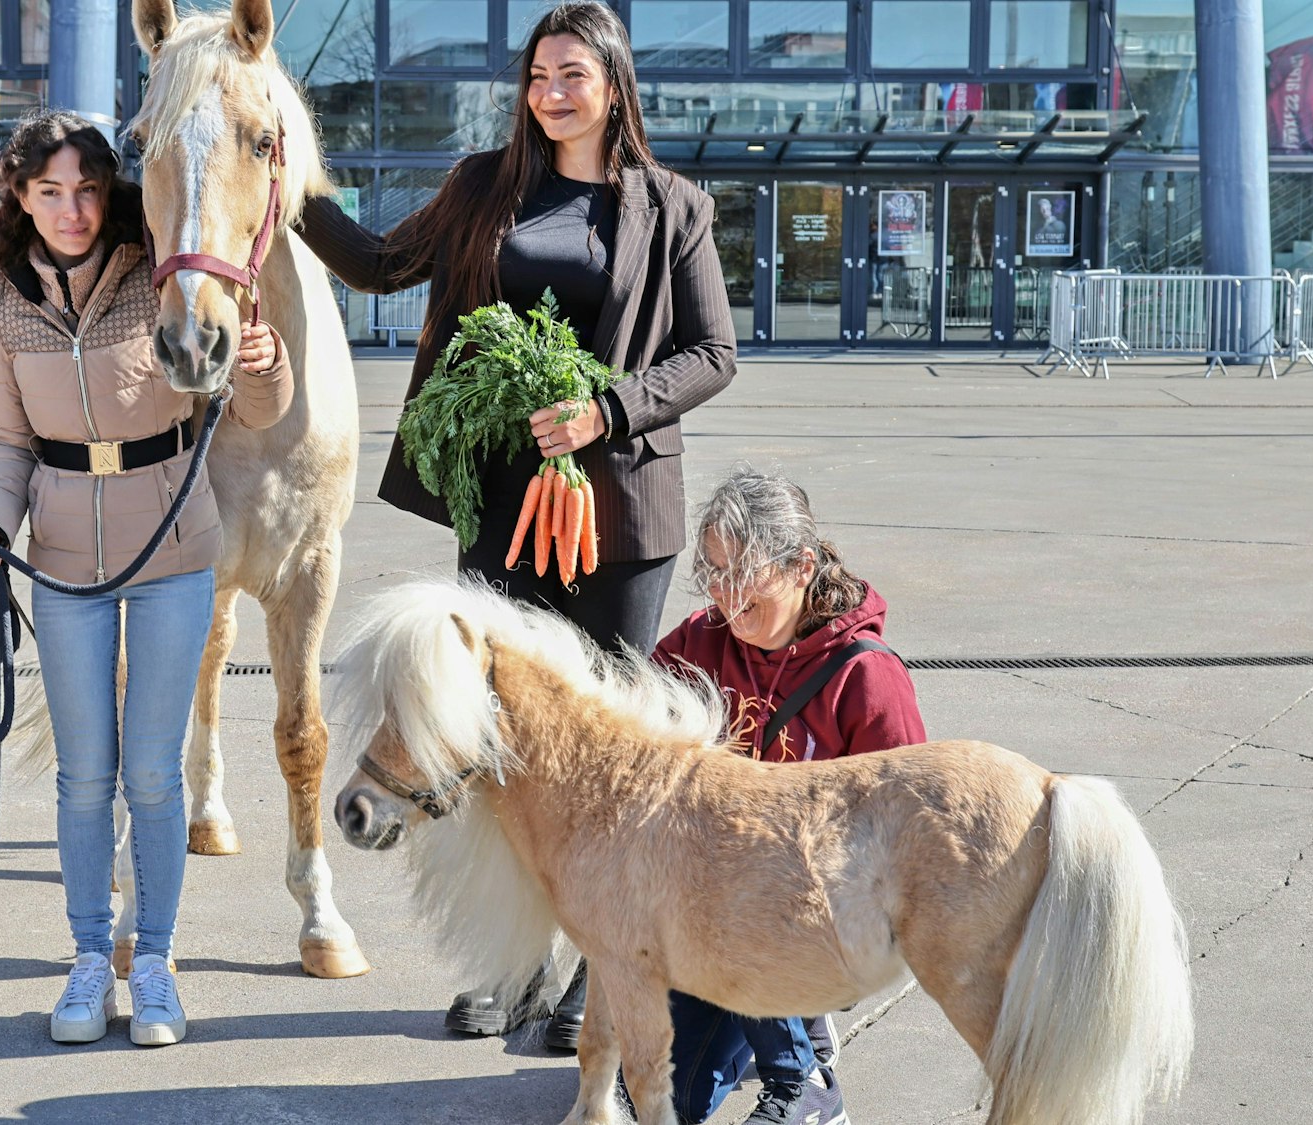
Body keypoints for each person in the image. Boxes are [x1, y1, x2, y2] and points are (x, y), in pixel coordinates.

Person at [295, 0, 735, 1045]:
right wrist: (283, 173)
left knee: (602, 751)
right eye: (537, 75)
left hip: (619, 511)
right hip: (499, 507)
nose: (548, 92)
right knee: (487, 747)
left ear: (613, 86)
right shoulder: (479, 189)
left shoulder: (672, 206)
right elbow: (373, 265)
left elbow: (711, 352)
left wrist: (605, 408)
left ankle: (596, 964)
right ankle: (511, 965)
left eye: (571, 74)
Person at [0, 110, 293, 1048]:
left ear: (112, 196)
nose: (71, 210)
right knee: (82, 778)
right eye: (48, 192)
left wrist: (266, 366)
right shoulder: (1, 310)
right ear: (20, 200)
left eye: (87, 190)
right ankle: (82, 963)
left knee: (152, 776)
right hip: (62, 564)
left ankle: (152, 964)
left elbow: (257, 405)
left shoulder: (161, 285)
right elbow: (7, 443)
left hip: (173, 560)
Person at [650, 466, 927, 1125]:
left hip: (822, 917)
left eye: (744, 578)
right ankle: (773, 1024)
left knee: (751, 865)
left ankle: (803, 1080)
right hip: (712, 920)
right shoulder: (701, 641)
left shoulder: (865, 675)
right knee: (664, 1095)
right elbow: (629, 714)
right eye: (713, 571)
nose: (725, 595)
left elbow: (907, 828)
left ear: (802, 566)